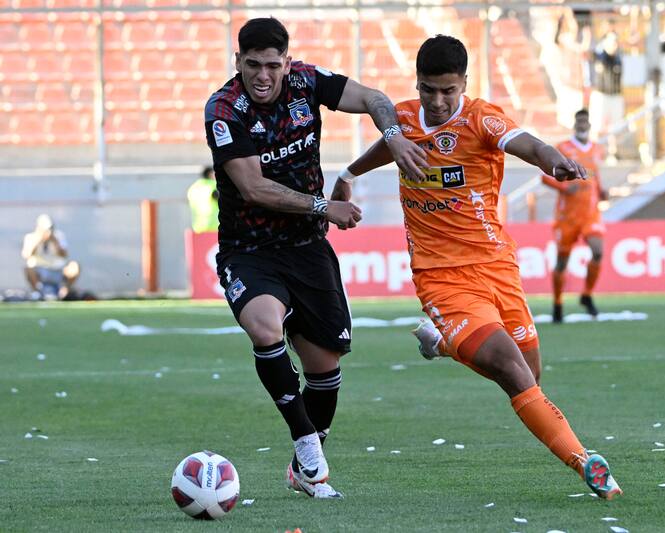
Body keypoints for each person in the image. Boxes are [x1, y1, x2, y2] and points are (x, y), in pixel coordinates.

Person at [333, 35, 622, 499]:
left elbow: (523, 142)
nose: (439, 100)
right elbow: (391, 148)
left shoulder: (481, 118)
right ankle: (585, 462)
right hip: (441, 277)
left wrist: (553, 160)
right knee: (511, 370)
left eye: (449, 90)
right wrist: (348, 175)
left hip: (496, 266)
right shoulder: (402, 119)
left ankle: (444, 342)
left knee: (531, 376)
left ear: (464, 83)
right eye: (430, 90)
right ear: (418, 84)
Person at [203, 17, 426, 499]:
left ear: (287, 61)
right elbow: (253, 187)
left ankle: (304, 464)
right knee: (264, 325)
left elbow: (374, 99)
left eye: (272, 65)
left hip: (307, 249)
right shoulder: (225, 110)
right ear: (237, 61)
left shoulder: (307, 80)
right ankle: (306, 442)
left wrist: (394, 137)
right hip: (250, 250)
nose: (263, 76)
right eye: (252, 64)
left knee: (324, 371)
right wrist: (327, 206)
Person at [540, 109, 606, 323]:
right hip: (567, 216)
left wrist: (602, 190)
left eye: (585, 121)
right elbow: (545, 177)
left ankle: (586, 295)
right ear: (574, 124)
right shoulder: (563, 148)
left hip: (590, 214)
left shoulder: (597, 149)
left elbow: (595, 175)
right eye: (579, 121)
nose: (582, 125)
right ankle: (558, 303)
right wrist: (565, 188)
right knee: (562, 262)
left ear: (589, 124)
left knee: (598, 251)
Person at [21, 214, 80, 301]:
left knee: (74, 267)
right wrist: (39, 240)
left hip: (57, 269)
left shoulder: (58, 236)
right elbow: (26, 255)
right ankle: (37, 294)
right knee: (28, 269)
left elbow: (64, 254)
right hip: (40, 270)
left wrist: (54, 241)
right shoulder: (31, 237)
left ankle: (64, 292)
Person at [589, 31, 623, 162]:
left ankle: (613, 152)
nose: (615, 44)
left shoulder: (619, 57)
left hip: (616, 95)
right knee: (597, 126)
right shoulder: (601, 56)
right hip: (601, 95)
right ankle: (594, 152)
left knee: (615, 127)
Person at [187, 166, 219, 233]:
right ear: (211, 174)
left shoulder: (193, 188)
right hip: (214, 226)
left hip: (198, 227)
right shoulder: (213, 187)